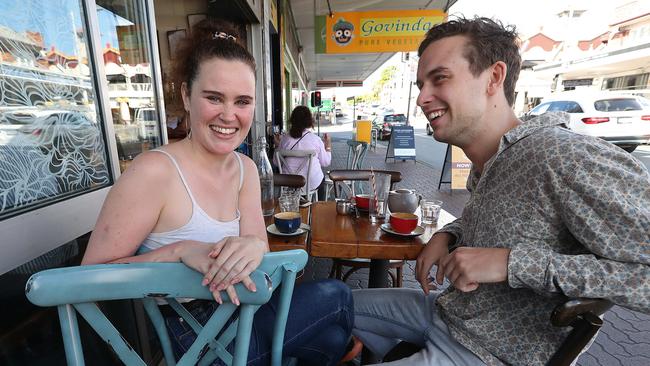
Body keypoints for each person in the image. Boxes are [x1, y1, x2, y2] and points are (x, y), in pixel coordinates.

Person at [352, 16, 650, 366]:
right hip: (446, 314)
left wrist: (512, 263)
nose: (422, 98)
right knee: (335, 303)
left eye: (440, 79)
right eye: (421, 84)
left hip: (485, 352)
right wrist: (448, 235)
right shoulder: (493, 161)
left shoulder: (561, 155)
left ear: (493, 77)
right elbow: (507, 219)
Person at [82, 19, 352, 366]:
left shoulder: (246, 170)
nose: (229, 115)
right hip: (196, 336)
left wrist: (255, 246)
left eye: (242, 101)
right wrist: (178, 252)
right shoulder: (154, 171)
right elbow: (89, 278)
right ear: (185, 96)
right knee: (339, 297)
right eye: (214, 98)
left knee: (330, 336)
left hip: (245, 313)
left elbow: (260, 258)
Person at [275, 105, 332, 200]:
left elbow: (276, 163)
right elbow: (325, 162)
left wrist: (277, 145)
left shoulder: (285, 139)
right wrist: (328, 145)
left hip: (289, 183)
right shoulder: (315, 140)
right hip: (311, 183)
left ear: (292, 120)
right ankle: (317, 208)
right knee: (321, 179)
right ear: (309, 121)